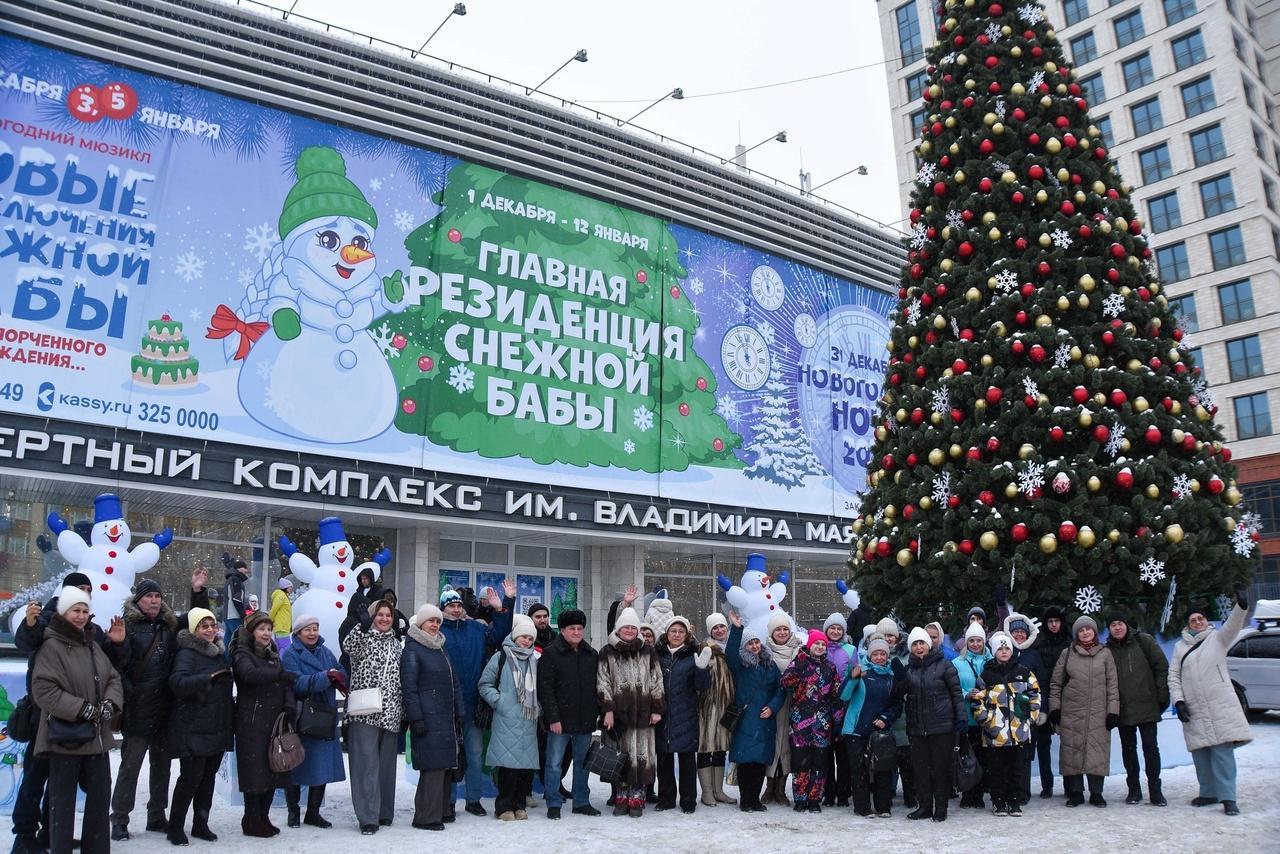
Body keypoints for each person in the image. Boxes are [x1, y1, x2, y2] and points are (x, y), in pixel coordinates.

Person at [13, 572, 127, 854]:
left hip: (89, 731)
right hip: (49, 721)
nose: (81, 613)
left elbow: (110, 673)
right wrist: (82, 709)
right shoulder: (45, 628)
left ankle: (59, 838)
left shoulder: (92, 637)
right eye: (76, 604)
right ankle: (27, 836)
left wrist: (118, 645)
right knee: (36, 782)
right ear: (64, 601)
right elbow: (31, 651)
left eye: (86, 605)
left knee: (73, 793)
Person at [1169, 585, 1255, 816]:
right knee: (1200, 751)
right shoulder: (1179, 647)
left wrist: (1242, 606)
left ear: (1206, 621)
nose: (1197, 622)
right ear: (1188, 625)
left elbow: (1234, 625)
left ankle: (1228, 797)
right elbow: (1173, 677)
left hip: (1219, 705)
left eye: (1201, 618)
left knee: (1222, 751)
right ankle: (1208, 792)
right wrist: (1178, 701)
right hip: (1194, 706)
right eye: (1193, 620)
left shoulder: (1218, 638)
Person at [110, 579, 180, 842]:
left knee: (161, 767)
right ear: (138, 600)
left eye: (158, 596)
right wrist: (131, 694)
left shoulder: (168, 626)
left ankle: (157, 814)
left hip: (164, 709)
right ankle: (119, 818)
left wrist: (198, 592)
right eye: (149, 596)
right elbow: (117, 666)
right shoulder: (126, 627)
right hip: (138, 709)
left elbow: (193, 625)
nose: (154, 600)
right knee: (130, 767)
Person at [439, 581, 515, 818]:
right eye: (450, 605)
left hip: (473, 702)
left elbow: (500, 634)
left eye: (458, 604)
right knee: (451, 756)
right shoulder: (438, 632)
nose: (455, 609)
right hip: (448, 704)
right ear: (443, 608)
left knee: (474, 754)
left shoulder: (475, 629)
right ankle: (448, 802)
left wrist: (503, 606)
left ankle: (473, 799)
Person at [165, 607, 234, 846]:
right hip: (193, 726)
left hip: (216, 724)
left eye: (212, 625)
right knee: (190, 779)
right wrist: (207, 680)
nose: (210, 630)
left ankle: (200, 823)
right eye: (204, 626)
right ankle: (175, 827)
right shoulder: (187, 653)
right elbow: (177, 683)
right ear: (195, 629)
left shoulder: (218, 653)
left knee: (208, 779)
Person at [342, 599, 404, 834]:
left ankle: (384, 811)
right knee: (366, 765)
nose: (385, 619)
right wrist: (362, 625)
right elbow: (348, 646)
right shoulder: (363, 638)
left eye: (389, 615)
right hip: (366, 711)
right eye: (380, 615)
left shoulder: (397, 644)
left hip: (391, 711)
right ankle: (368, 817)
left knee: (387, 766)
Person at [231, 610, 296, 837]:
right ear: (252, 632)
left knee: (272, 770)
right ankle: (251, 819)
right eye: (262, 629)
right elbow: (249, 675)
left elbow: (286, 683)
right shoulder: (242, 653)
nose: (267, 633)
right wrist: (277, 675)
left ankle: (264, 817)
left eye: (269, 629)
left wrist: (289, 707)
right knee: (254, 773)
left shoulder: (274, 654)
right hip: (252, 720)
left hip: (274, 720)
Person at [596, 607, 665, 817]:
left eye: (632, 627)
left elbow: (657, 681)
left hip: (643, 715)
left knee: (640, 757)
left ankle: (637, 798)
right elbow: (602, 682)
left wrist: (657, 709)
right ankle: (621, 797)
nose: (629, 630)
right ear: (618, 629)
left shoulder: (648, 651)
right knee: (621, 756)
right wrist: (607, 709)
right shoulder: (607, 651)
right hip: (618, 717)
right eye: (625, 627)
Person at [401, 603, 463, 831]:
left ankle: (443, 810)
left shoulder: (440, 648)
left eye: (438, 621)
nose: (435, 625)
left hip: (445, 716)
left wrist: (460, 711)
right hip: (427, 717)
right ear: (420, 624)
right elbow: (409, 687)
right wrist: (416, 718)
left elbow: (453, 682)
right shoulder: (412, 649)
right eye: (431, 621)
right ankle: (426, 816)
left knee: (445, 765)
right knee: (433, 767)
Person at [281, 614, 345, 829]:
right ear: (298, 633)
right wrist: (325, 677)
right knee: (296, 763)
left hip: (324, 715)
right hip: (302, 715)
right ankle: (293, 811)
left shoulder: (326, 652)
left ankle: (313, 812)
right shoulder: (290, 654)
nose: (312, 633)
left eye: (315, 628)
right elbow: (296, 683)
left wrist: (337, 675)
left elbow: (340, 671)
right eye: (307, 629)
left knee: (322, 764)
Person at [537, 608, 600, 820]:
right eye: (571, 628)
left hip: (585, 719)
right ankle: (553, 801)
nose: (576, 632)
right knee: (554, 764)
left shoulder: (591, 655)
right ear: (562, 631)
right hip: (560, 721)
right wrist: (553, 718)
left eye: (579, 628)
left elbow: (597, 687)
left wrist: (598, 713)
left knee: (583, 763)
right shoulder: (551, 654)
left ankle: (581, 801)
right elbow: (545, 689)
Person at [1049, 615, 1119, 807]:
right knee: (1072, 751)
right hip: (1072, 711)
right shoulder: (1068, 653)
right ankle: (1076, 793)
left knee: (1097, 751)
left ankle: (1097, 793)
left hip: (1099, 711)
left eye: (1088, 629)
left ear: (1094, 632)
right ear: (1076, 634)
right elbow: (1056, 683)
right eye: (1081, 630)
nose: (1085, 632)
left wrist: (1113, 711)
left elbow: (1112, 685)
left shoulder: (1105, 654)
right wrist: (1055, 708)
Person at [971, 632, 1042, 817]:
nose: (1004, 652)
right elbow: (977, 701)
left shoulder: (1024, 673)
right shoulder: (986, 675)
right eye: (1000, 649)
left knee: (1016, 769)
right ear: (994, 651)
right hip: (995, 735)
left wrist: (1030, 718)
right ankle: (998, 800)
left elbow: (1035, 695)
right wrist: (987, 722)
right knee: (997, 770)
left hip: (1018, 733)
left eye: (1007, 648)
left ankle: (1014, 800)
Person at [478, 614, 542, 821]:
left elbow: (543, 689)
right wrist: (500, 702)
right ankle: (504, 807)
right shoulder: (501, 657)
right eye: (523, 637)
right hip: (506, 718)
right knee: (507, 767)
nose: (527, 641)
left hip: (528, 719)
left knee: (524, 767)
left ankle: (519, 804)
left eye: (530, 638)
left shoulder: (536, 660)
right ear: (515, 637)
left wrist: (538, 707)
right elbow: (485, 684)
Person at [1105, 611, 1169, 806]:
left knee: (1151, 749)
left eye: (1120, 623)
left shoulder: (1144, 641)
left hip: (1147, 705)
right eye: (1113, 624)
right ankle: (1134, 789)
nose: (1117, 627)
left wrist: (1161, 696)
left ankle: (1155, 790)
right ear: (1109, 628)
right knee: (1129, 750)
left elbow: (1161, 667)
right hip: (1123, 710)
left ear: (1126, 625)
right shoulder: (1107, 649)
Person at [903, 626, 965, 823]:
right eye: (915, 644)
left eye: (922, 643)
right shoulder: (909, 669)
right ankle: (925, 806)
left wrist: (960, 717)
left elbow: (956, 693)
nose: (919, 647)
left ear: (929, 645)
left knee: (940, 769)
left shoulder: (945, 665)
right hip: (916, 728)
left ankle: (941, 807)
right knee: (920, 770)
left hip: (941, 726)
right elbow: (900, 694)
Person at [724, 612, 784, 813]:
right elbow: (730, 652)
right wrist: (737, 629)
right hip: (746, 720)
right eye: (750, 644)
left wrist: (773, 707)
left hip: (765, 719)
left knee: (759, 763)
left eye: (757, 642)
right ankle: (745, 799)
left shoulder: (770, 665)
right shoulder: (740, 665)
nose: (755, 646)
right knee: (745, 762)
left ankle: (755, 800)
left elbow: (781, 688)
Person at [839, 636, 902, 817]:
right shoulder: (861, 671)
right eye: (876, 653)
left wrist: (885, 718)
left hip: (879, 730)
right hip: (856, 730)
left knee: (882, 769)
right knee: (859, 770)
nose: (880, 657)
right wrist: (852, 679)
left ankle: (883, 807)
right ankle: (862, 807)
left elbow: (897, 704)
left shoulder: (891, 676)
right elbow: (843, 696)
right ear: (870, 655)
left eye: (883, 653)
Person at [780, 630, 840, 812]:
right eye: (817, 643)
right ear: (810, 645)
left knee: (820, 763)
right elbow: (785, 683)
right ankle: (800, 799)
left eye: (823, 644)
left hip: (822, 723)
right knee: (801, 762)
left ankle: (814, 799)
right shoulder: (799, 662)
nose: (820, 647)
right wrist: (798, 668)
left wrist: (837, 720)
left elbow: (836, 695)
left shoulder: (830, 667)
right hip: (800, 722)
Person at [654, 616, 710, 814]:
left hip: (686, 714)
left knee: (687, 762)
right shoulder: (657, 654)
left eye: (681, 632)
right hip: (662, 714)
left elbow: (702, 687)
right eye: (673, 631)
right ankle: (666, 798)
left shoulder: (693, 655)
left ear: (687, 635)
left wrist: (702, 669)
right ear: (666, 633)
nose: (676, 635)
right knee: (664, 760)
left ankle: (688, 800)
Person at [1002, 611, 1046, 805]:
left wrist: (1042, 709)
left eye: (1022, 631)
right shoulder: (1004, 651)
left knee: (1025, 754)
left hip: (1026, 712)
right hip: (1005, 713)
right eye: (1015, 632)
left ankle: (1023, 792)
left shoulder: (1033, 655)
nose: (1019, 635)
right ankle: (1008, 790)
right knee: (1008, 754)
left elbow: (1042, 683)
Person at [760, 612, 802, 806]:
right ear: (771, 632)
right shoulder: (764, 652)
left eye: (785, 628)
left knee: (787, 747)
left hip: (794, 706)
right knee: (772, 744)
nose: (782, 632)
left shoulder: (800, 651)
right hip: (771, 705)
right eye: (778, 629)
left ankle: (781, 789)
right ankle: (769, 787)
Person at [696, 613, 737, 807]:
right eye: (715, 628)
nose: (720, 630)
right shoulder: (705, 649)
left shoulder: (733, 648)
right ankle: (707, 792)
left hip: (726, 707)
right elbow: (698, 680)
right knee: (705, 749)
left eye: (722, 627)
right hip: (707, 707)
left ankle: (719, 791)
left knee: (721, 749)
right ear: (710, 631)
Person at [1032, 604, 1071, 797]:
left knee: (1068, 744)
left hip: (1067, 701)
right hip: (1045, 699)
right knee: (1043, 745)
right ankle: (1047, 785)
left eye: (1057, 621)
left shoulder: (1070, 643)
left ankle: (1069, 784)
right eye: (1050, 621)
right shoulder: (1039, 644)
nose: (1054, 625)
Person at [953, 621, 993, 809]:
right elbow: (952, 688)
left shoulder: (992, 661)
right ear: (966, 642)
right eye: (972, 641)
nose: (975, 644)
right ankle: (967, 794)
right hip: (966, 716)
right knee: (967, 757)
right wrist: (965, 694)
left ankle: (979, 794)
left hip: (987, 717)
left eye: (979, 640)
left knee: (984, 756)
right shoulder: (956, 663)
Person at [820, 613, 854, 807]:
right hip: (822, 708)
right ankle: (828, 792)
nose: (835, 631)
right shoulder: (820, 648)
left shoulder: (850, 650)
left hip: (843, 706)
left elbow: (854, 676)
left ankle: (843, 793)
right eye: (832, 628)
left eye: (839, 628)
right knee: (825, 754)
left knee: (842, 755)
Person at [221, 558, 251, 642]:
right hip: (234, 615)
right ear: (239, 568)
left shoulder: (231, 578)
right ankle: (237, 655)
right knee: (238, 639)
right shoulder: (236, 579)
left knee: (229, 639)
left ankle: (226, 655)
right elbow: (236, 599)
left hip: (228, 615)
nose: (246, 570)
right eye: (244, 568)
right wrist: (243, 615)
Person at [269, 579, 293, 647]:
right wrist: (269, 621)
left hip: (282, 627)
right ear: (285, 587)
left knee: (279, 647)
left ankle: (279, 658)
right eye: (290, 587)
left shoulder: (283, 596)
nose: (291, 589)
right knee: (285, 647)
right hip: (282, 627)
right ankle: (283, 658)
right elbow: (274, 609)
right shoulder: (281, 596)